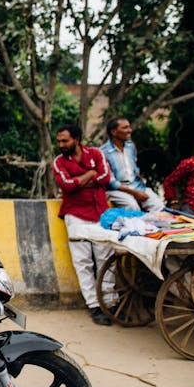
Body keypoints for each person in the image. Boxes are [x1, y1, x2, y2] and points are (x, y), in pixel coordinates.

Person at [52, 124, 115, 326]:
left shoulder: (95, 154)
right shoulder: (58, 162)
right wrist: (89, 175)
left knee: (106, 260)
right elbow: (67, 186)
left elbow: (105, 177)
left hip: (100, 215)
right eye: (59, 141)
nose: (61, 144)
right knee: (83, 263)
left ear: (77, 139)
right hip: (76, 216)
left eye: (65, 141)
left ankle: (111, 304)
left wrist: (80, 180)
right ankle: (94, 306)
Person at [100, 117, 164, 212]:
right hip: (117, 190)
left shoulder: (130, 146)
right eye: (125, 128)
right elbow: (111, 182)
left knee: (158, 205)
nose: (129, 130)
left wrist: (140, 178)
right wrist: (134, 193)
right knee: (133, 207)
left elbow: (133, 167)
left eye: (129, 127)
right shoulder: (103, 152)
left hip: (136, 186)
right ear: (114, 132)